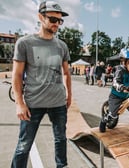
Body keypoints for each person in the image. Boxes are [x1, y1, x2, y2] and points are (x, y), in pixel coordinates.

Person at [11, 1, 71, 168]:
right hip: (33, 104)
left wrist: (69, 95)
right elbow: (16, 75)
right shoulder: (24, 43)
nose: (56, 24)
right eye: (52, 19)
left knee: (61, 140)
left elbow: (66, 73)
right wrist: (19, 103)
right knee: (24, 146)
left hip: (58, 103)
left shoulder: (62, 46)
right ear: (40, 17)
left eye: (60, 21)